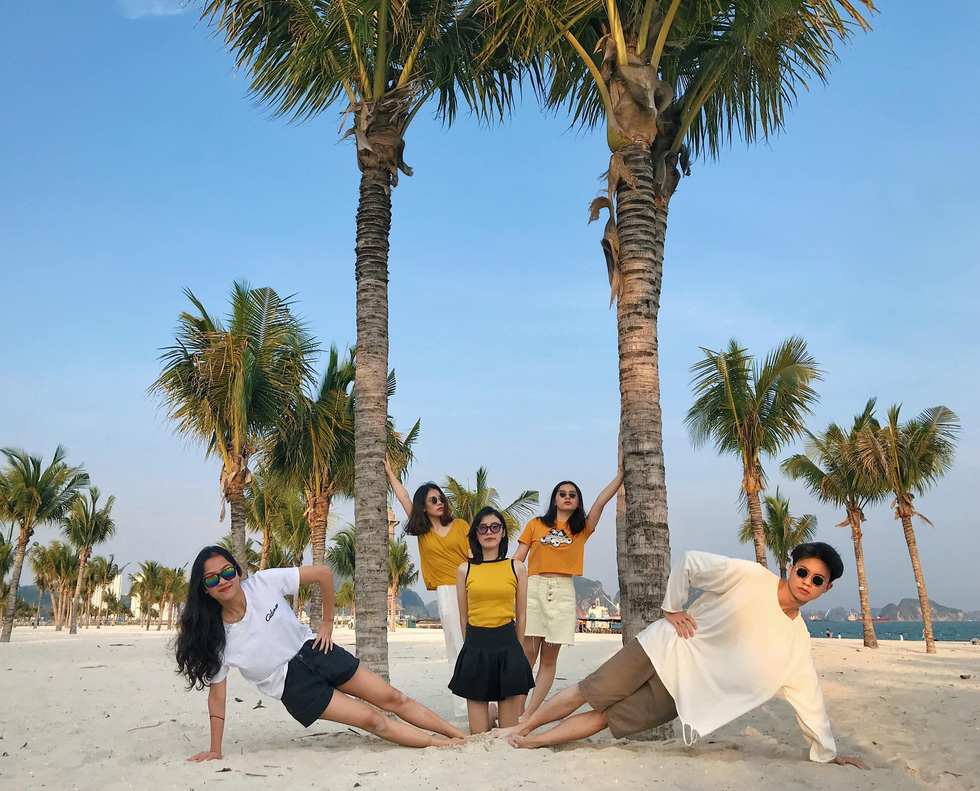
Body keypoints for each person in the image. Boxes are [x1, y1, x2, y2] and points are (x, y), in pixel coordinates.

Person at [493, 543, 869, 769]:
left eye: (817, 580)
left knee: (607, 717)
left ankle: (532, 742)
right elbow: (690, 561)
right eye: (803, 571)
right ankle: (521, 728)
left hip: (683, 692)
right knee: (588, 689)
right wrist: (672, 608)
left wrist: (827, 752)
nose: (807, 581)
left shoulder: (797, 642)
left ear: (826, 589)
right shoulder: (751, 576)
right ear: (791, 567)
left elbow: (809, 699)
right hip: (663, 646)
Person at [175, 545, 465, 762]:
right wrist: (215, 749)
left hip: (315, 649)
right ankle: (440, 746)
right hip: (293, 686)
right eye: (212, 579)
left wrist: (327, 623)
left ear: (237, 572)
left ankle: (458, 736)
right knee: (371, 720)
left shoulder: (263, 583)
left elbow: (323, 574)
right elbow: (217, 696)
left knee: (394, 698)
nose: (223, 581)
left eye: (227, 572)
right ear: (205, 590)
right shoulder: (215, 638)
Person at [514, 471, 622, 720]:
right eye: (562, 494)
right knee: (526, 656)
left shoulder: (581, 528)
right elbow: (517, 560)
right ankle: (515, 710)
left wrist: (620, 474)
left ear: (577, 501)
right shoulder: (535, 525)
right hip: (534, 588)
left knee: (549, 660)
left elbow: (600, 502)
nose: (567, 497)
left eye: (572, 495)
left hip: (563, 591)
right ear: (554, 499)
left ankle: (529, 714)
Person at [385, 458, 471, 718]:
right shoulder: (423, 533)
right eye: (433, 500)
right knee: (456, 647)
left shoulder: (461, 526)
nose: (440, 502)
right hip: (446, 591)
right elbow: (403, 497)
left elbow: (474, 555)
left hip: (471, 586)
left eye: (441, 498)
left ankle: (490, 701)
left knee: (479, 644)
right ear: (424, 506)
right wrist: (389, 472)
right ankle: (465, 707)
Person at [449, 507, 535, 734]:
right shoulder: (464, 570)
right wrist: (470, 647)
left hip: (508, 645)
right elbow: (463, 616)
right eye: (483, 528)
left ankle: (499, 713)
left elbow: (522, 614)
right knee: (479, 734)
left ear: (503, 533)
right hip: (476, 646)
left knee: (506, 733)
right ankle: (490, 713)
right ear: (476, 533)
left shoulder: (516, 567)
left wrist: (516, 648)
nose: (489, 532)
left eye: (495, 527)